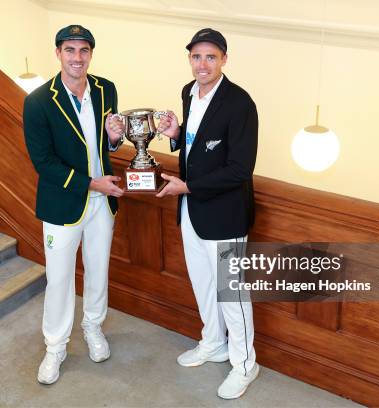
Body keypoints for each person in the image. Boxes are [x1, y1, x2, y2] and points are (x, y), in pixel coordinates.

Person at [156, 28, 259, 399]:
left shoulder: (240, 103)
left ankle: (245, 364)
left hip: (225, 216)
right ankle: (213, 342)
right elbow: (196, 145)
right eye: (196, 57)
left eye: (210, 57)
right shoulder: (188, 92)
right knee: (203, 286)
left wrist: (187, 186)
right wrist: (175, 133)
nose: (202, 64)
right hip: (191, 213)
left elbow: (238, 169)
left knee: (231, 295)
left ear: (224, 60)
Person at [22, 24, 125, 385]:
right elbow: (44, 162)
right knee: (60, 279)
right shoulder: (37, 102)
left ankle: (93, 327)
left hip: (102, 204)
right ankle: (55, 347)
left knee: (98, 270)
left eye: (83, 50)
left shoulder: (105, 88)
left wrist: (113, 141)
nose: (77, 58)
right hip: (63, 204)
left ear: (91, 54)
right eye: (70, 50)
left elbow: (106, 143)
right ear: (58, 53)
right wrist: (91, 183)